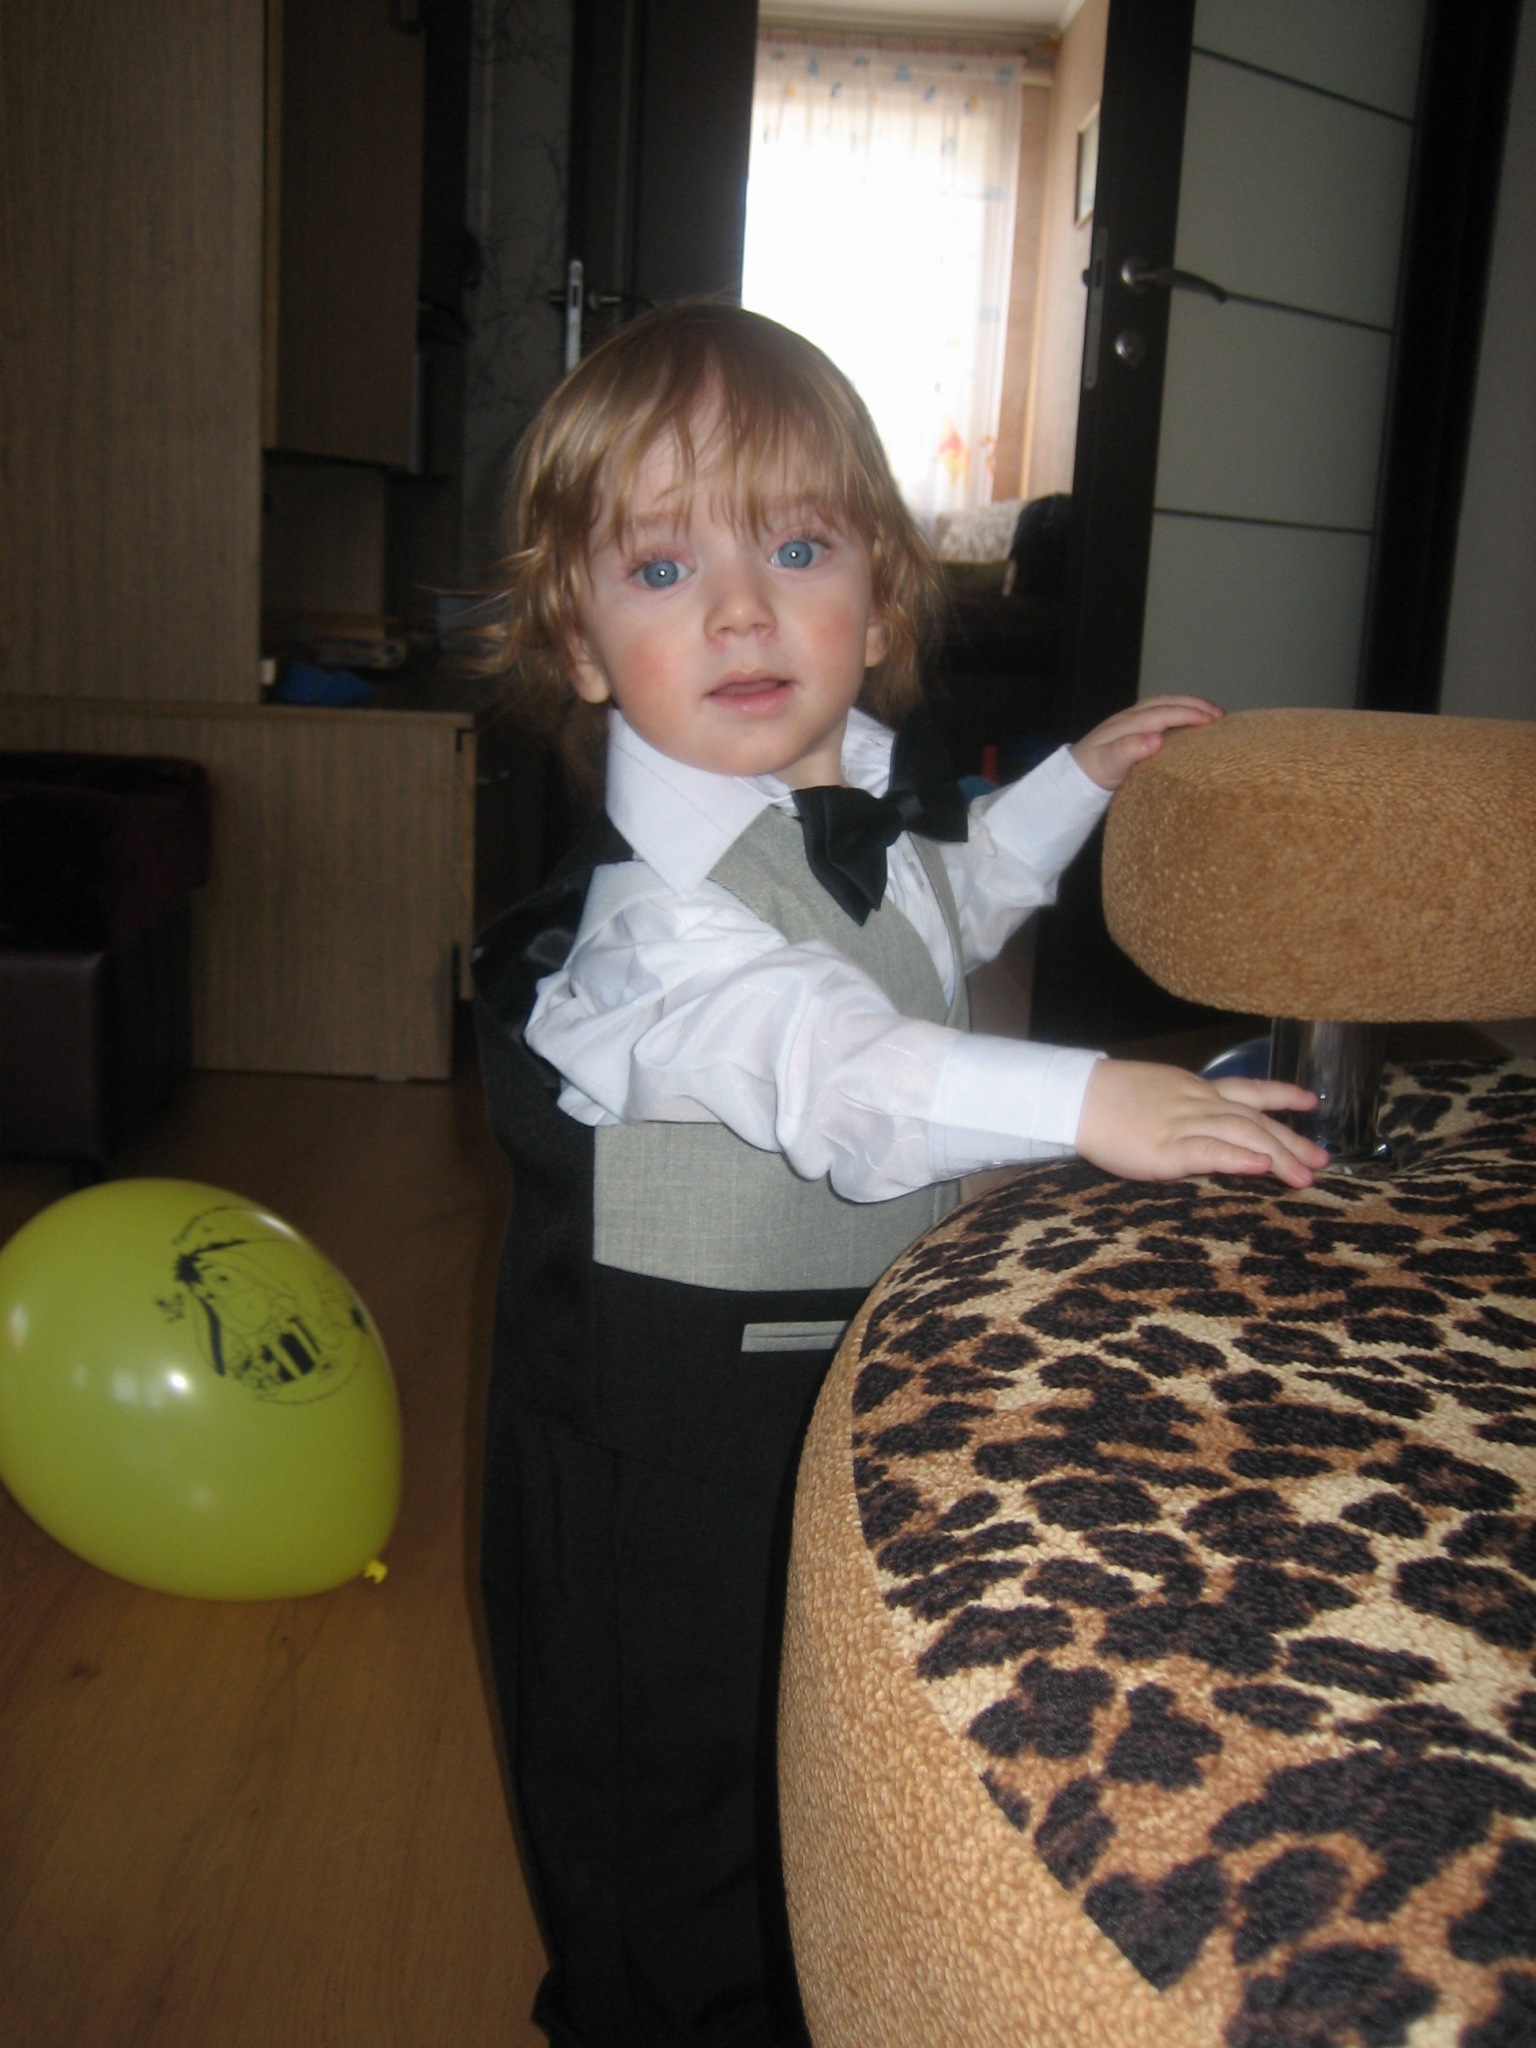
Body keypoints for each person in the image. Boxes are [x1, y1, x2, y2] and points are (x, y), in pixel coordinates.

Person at [472, 302, 1325, 2048]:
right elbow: (837, 1070)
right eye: (663, 570)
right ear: (577, 644)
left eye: (795, 550)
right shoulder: (645, 935)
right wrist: (1093, 1100)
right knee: (667, 1786)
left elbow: (951, 900)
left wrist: (1077, 783)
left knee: (816, 1719)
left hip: (844, 1390)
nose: (740, 611)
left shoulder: (856, 816)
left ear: (879, 601)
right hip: (659, 1448)